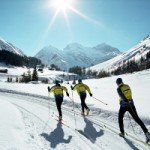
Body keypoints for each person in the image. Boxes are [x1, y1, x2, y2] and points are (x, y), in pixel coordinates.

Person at [116, 78, 150, 143]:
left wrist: (123, 101)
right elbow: (129, 94)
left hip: (124, 106)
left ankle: (122, 133)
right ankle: (147, 133)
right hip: (131, 104)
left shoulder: (118, 89)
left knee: (120, 118)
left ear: (117, 83)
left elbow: (122, 96)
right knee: (137, 119)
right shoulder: (127, 86)